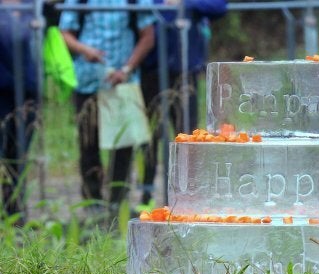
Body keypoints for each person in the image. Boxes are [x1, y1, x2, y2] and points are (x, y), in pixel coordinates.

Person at [59, 0, 155, 222]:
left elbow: (148, 36)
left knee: (123, 144)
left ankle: (117, 201)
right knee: (88, 142)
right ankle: (92, 201)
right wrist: (85, 50)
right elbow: (65, 33)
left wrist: (127, 69)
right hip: (87, 80)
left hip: (121, 81)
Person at [137, 0, 226, 210]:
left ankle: (183, 195)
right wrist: (168, 6)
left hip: (186, 75)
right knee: (150, 135)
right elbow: (145, 13)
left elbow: (219, 7)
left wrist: (184, 3)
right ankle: (146, 194)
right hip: (152, 73)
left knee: (185, 136)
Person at [0, 0, 38, 225]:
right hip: (2, 94)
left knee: (18, 157)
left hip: (27, 95)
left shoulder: (32, 6)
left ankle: (15, 214)